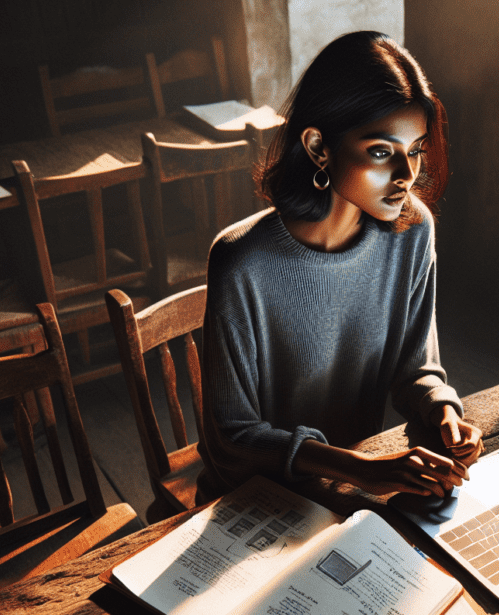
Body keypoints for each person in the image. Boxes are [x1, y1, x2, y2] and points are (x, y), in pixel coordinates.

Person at [196, 31, 482, 504]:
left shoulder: (414, 232)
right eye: (381, 151)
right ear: (318, 147)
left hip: (352, 491)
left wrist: (442, 412)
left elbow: (417, 370)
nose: (407, 175)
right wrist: (359, 470)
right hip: (252, 501)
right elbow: (233, 437)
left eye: (414, 150)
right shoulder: (240, 260)